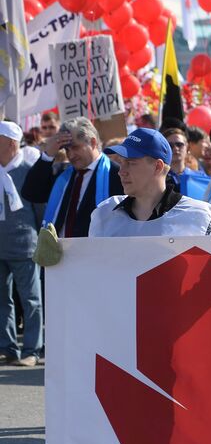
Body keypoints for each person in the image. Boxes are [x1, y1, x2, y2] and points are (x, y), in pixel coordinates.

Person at [79, 129, 211, 444]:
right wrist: (60, 262)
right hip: (125, 345)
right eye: (120, 161)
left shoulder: (200, 215)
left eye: (132, 162)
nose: (121, 169)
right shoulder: (104, 216)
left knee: (168, 443)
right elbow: (92, 277)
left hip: (183, 349)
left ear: (160, 166)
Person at [21, 116, 124, 239]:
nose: (71, 155)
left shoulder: (117, 174)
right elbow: (31, 194)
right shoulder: (62, 173)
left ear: (92, 142)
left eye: (75, 147)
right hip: (60, 252)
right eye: (66, 149)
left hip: (97, 252)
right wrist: (47, 155)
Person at [0, 122, 42, 366]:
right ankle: (7, 347)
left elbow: (39, 210)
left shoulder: (28, 170)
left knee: (31, 300)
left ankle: (31, 350)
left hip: (25, 244)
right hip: (1, 246)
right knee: (2, 299)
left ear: (11, 143)